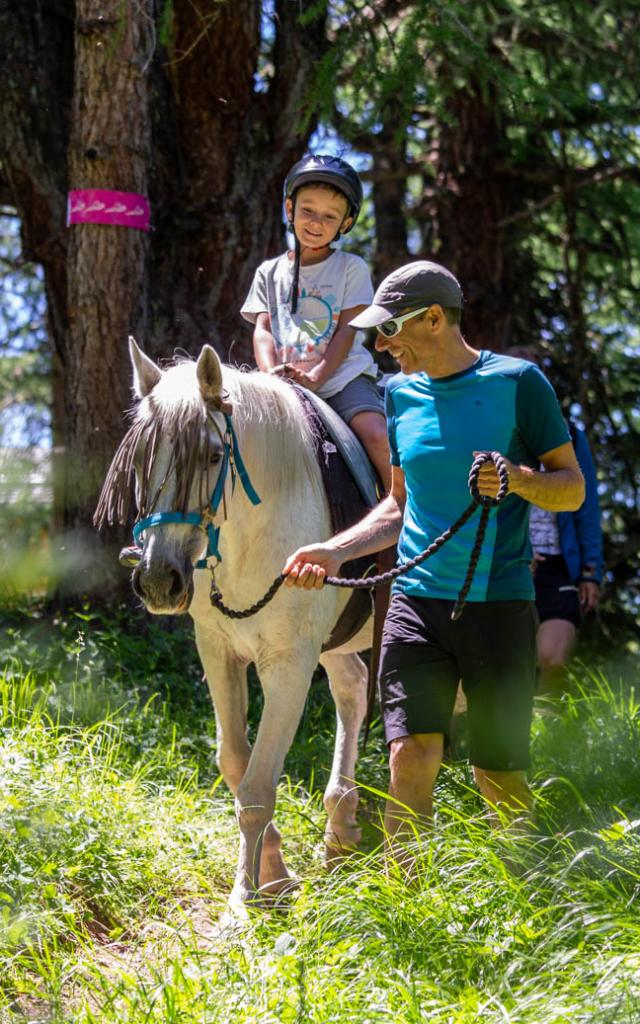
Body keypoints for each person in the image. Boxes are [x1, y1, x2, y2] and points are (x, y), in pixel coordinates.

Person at [281, 260, 585, 870]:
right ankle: (406, 910)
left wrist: (517, 478)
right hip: (415, 604)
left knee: (497, 778)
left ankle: (528, 892)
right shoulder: (398, 395)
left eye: (390, 331)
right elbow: (397, 505)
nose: (383, 346)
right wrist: (333, 550)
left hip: (498, 603)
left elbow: (571, 487)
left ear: (435, 318)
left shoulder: (519, 383)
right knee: (410, 757)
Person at [241, 153, 390, 491]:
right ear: (290, 209)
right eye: (308, 210)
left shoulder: (351, 268)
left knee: (377, 435)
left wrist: (318, 376)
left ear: (345, 224)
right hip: (282, 384)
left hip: (342, 379)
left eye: (329, 216)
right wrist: (269, 377)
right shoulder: (269, 271)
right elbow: (263, 330)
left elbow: (346, 332)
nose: (316, 222)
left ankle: (401, 517)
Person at [506, 346, 603, 694]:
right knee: (501, 661)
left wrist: (590, 570)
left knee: (553, 658)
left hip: (559, 566)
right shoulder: (493, 432)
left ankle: (547, 744)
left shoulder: (570, 436)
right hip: (508, 563)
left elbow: (586, 505)